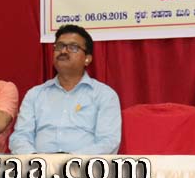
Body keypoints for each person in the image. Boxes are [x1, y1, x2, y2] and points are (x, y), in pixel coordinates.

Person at [9, 24, 120, 154]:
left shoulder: (104, 95)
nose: (63, 51)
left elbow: (108, 142)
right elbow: (20, 137)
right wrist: (35, 159)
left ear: (87, 59)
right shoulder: (35, 94)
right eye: (59, 46)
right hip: (39, 164)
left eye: (73, 47)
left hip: (83, 165)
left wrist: (70, 160)